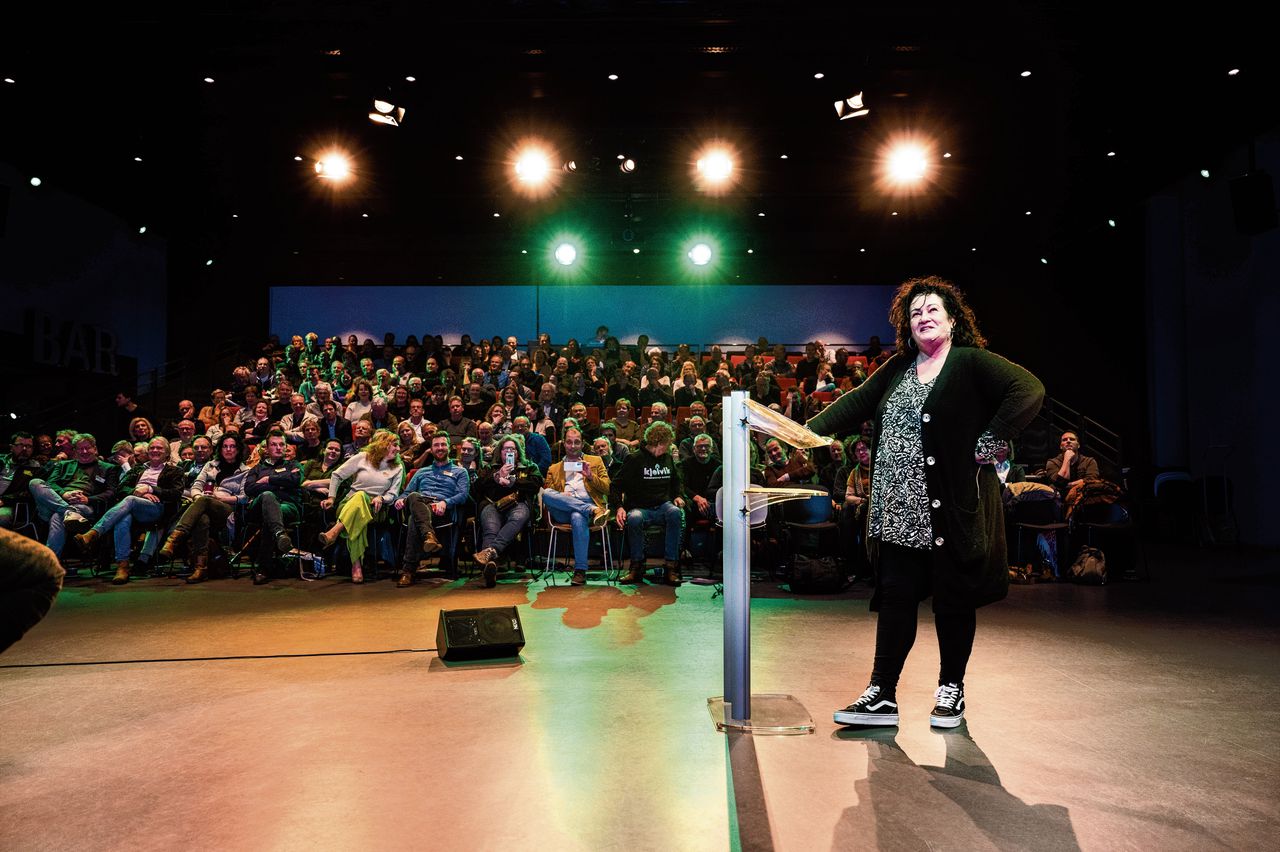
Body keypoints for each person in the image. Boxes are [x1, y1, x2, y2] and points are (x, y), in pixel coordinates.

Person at [808, 276, 1044, 730]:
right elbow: (853, 403)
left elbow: (1028, 389)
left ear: (953, 320)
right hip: (898, 510)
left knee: (954, 601)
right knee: (896, 598)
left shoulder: (970, 363)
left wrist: (993, 435)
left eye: (933, 310)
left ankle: (950, 690)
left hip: (952, 510)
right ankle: (882, 695)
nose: (924, 317)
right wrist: (800, 432)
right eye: (915, 312)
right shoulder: (897, 368)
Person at [73, 436, 185, 584]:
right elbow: (121, 488)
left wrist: (151, 489)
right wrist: (140, 492)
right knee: (123, 517)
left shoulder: (174, 471)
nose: (155, 450)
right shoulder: (139, 469)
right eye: (152, 448)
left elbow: (176, 493)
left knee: (129, 501)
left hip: (157, 509)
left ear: (167, 453)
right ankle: (123, 565)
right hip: (134, 506)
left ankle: (94, 533)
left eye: (159, 448)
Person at [159, 433, 250, 583]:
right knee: (202, 518)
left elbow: (244, 497)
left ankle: (174, 539)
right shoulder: (211, 465)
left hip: (228, 511)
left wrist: (220, 498)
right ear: (220, 449)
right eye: (225, 446)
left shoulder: (245, 471)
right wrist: (196, 497)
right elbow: (196, 486)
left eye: (232, 446)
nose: (228, 449)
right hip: (204, 506)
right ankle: (200, 568)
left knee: (205, 501)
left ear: (238, 449)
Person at [319, 429, 404, 584]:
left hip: (376, 508)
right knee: (359, 499)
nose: (398, 449)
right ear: (382, 445)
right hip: (348, 503)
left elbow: (393, 494)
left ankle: (337, 532)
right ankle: (356, 566)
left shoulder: (397, 467)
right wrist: (331, 497)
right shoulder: (362, 458)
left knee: (361, 499)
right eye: (395, 445)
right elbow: (337, 475)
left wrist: (382, 497)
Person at [609, 421, 685, 586]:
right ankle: (636, 566)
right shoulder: (634, 459)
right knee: (634, 518)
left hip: (663, 505)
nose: (668, 447)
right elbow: (615, 486)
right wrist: (619, 507)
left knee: (675, 513)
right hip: (640, 507)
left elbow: (676, 482)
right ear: (658, 443)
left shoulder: (667, 458)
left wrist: (678, 495)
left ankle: (671, 566)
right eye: (666, 444)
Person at [28, 434, 121, 561]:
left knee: (58, 516)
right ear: (75, 451)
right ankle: (68, 510)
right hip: (54, 503)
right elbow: (50, 483)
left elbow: (112, 492)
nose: (84, 452)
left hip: (85, 506)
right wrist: (64, 494)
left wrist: (88, 499)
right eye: (80, 449)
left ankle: (51, 562)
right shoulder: (63, 465)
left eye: (87, 448)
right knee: (35, 483)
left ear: (94, 448)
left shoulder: (108, 468)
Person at [394, 433, 468, 586]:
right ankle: (428, 535)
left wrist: (446, 502)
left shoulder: (460, 472)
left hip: (441, 512)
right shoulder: (421, 472)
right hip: (420, 503)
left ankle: (408, 570)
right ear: (431, 449)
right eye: (436, 445)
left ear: (449, 447)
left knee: (413, 518)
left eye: (443, 445)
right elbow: (406, 494)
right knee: (414, 496)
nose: (440, 448)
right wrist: (400, 499)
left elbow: (463, 495)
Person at [540, 427, 611, 586]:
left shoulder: (595, 461)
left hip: (586, 506)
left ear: (582, 444)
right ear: (563, 444)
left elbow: (607, 488)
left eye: (577, 442)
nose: (573, 446)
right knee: (546, 494)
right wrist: (561, 494)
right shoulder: (554, 468)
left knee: (577, 516)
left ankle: (580, 570)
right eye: (569, 442)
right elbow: (550, 493)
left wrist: (591, 477)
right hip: (564, 510)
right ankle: (592, 511)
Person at [473, 435, 543, 588]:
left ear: (518, 452)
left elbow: (536, 484)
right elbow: (476, 487)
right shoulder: (489, 467)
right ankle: (489, 569)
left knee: (518, 517)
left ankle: (490, 553)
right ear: (500, 452)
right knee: (490, 529)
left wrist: (514, 482)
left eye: (513, 449)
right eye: (506, 449)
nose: (509, 451)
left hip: (518, 504)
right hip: (493, 505)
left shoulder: (529, 466)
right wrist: (496, 477)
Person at [242, 431, 303, 585]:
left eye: (281, 444)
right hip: (259, 506)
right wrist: (280, 485)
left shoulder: (293, 465)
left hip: (288, 507)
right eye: (274, 445)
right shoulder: (257, 468)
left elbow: (295, 480)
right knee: (268, 497)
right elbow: (249, 489)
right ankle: (280, 534)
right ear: (267, 448)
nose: (278, 448)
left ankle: (263, 569)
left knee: (270, 516)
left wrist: (268, 479)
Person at [0, 432, 45, 530]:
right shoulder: (1, 461)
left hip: (10, 506)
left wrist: (4, 500)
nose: (25, 449)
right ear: (11, 447)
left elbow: (27, 493)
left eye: (29, 446)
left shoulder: (36, 469)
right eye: (20, 445)